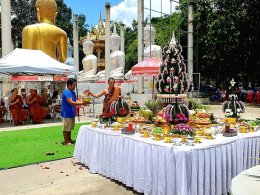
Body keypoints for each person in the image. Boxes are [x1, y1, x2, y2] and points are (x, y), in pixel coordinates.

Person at [61, 78, 88, 145]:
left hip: (71, 112)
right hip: (66, 113)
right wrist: (82, 103)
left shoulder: (73, 92)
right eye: (74, 85)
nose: (75, 86)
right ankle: (66, 141)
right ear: (69, 85)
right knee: (66, 128)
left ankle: (69, 139)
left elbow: (75, 100)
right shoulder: (66, 92)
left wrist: (83, 102)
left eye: (75, 85)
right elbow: (71, 102)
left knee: (69, 127)